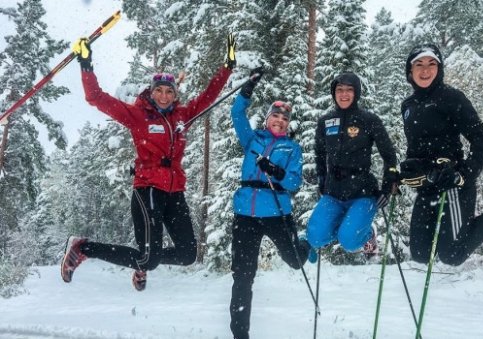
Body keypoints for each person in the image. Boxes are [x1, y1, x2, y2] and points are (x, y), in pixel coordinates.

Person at [60, 34, 236, 291]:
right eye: (159, 91)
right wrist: (86, 64)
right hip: (149, 188)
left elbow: (208, 96)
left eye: (169, 91)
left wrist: (227, 68)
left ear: (175, 94)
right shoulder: (139, 116)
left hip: (174, 191)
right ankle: (82, 247)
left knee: (187, 254)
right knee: (146, 258)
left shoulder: (182, 116)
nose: (164, 96)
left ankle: (145, 263)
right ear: (151, 92)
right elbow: (96, 97)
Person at [398, 44, 483, 266]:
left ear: (439, 69)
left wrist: (463, 174)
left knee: (452, 255)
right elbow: (415, 148)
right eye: (419, 65)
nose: (425, 70)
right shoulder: (408, 105)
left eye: (431, 64)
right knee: (421, 254)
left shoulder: (451, 97)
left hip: (453, 184)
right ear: (410, 71)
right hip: (427, 185)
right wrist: (405, 171)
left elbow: (482, 139)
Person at [228, 67, 311, 339]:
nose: (279, 121)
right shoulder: (252, 139)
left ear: (288, 125)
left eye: (284, 119)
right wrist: (247, 91)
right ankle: (240, 334)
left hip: (276, 211)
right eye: (275, 116)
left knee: (295, 260)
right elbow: (237, 114)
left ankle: (310, 242)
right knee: (243, 276)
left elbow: (295, 182)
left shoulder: (292, 148)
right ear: (267, 120)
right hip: (245, 215)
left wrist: (277, 172)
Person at [306, 72, 398, 256]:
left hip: (362, 191)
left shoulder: (369, 120)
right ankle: (345, 228)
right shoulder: (325, 121)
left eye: (349, 89)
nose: (344, 94)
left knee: (349, 242)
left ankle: (367, 234)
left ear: (356, 93)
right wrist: (322, 180)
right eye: (339, 89)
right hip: (333, 192)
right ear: (334, 93)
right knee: (315, 237)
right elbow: (319, 154)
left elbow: (389, 155)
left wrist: (387, 187)